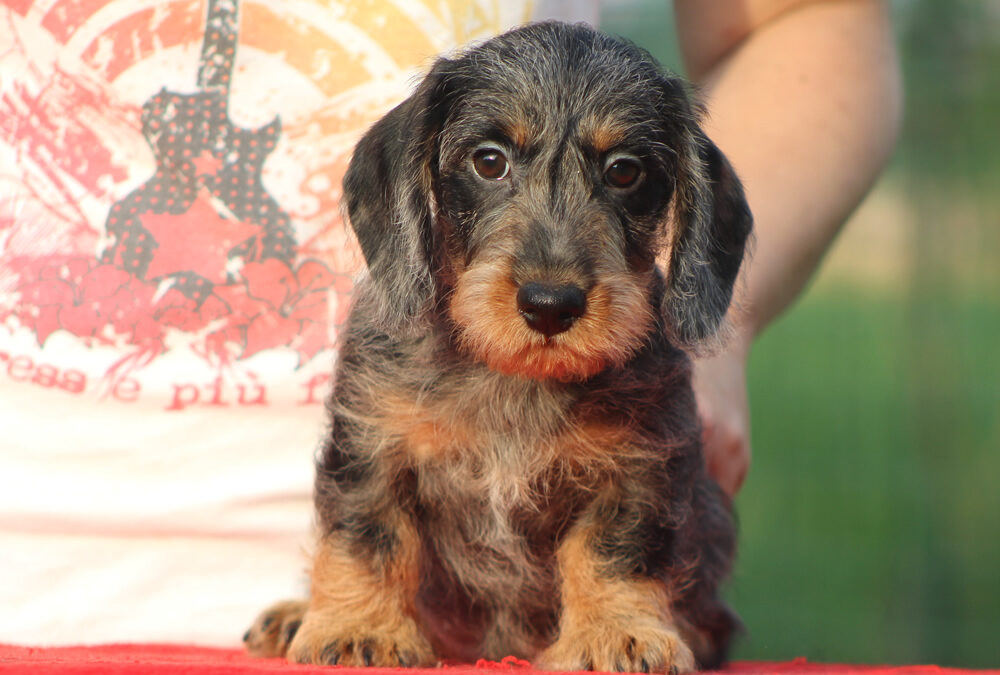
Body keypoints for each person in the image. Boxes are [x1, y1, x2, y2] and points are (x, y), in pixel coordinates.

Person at [0, 0, 900, 646]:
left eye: (623, 175)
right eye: (489, 160)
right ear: (422, 182)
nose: (551, 273)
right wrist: (358, 601)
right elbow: (367, 466)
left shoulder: (638, 382)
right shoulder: (394, 366)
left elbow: (804, 19)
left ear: (678, 198)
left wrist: (717, 332)